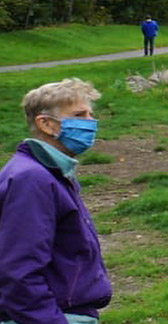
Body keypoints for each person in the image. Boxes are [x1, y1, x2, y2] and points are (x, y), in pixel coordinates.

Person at [0, 79, 112, 324]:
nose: (90, 123)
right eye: (79, 115)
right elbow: (18, 272)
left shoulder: (50, 172)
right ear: (46, 124)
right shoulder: (32, 179)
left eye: (91, 114)